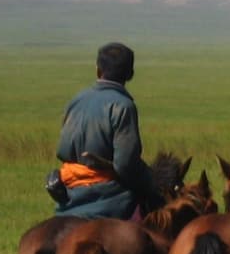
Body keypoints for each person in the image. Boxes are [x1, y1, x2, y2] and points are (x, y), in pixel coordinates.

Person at [47, 42, 156, 219]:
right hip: (108, 194)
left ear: (98, 70)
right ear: (130, 75)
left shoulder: (77, 100)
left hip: (69, 190)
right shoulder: (124, 106)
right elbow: (125, 166)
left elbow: (61, 150)